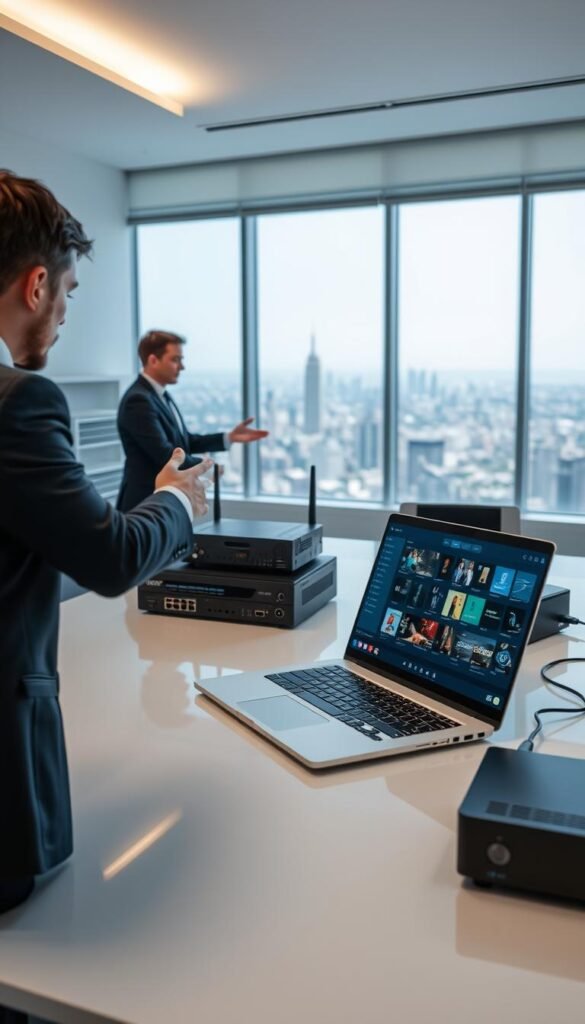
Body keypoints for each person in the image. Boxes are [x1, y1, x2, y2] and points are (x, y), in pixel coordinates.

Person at [0, 169, 212, 924]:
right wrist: (176, 500)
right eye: (67, 292)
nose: (63, 313)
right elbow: (111, 558)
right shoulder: (20, 402)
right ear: (36, 286)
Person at [116, 330, 268, 511]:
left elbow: (184, 442)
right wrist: (208, 467)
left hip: (162, 500)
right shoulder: (139, 401)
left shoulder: (161, 395)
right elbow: (166, 455)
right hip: (145, 503)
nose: (182, 367)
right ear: (153, 360)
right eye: (175, 360)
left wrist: (229, 438)